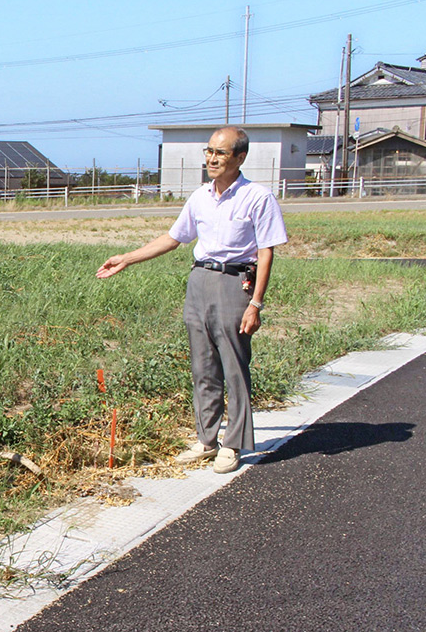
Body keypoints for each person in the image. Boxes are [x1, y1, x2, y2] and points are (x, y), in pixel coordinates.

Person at [96, 126, 287, 474]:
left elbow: (267, 250)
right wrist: (127, 258)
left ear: (239, 158)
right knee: (202, 366)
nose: (212, 159)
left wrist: (256, 304)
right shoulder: (200, 197)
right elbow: (173, 238)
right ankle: (206, 439)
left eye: (221, 153)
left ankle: (234, 444)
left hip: (234, 283)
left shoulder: (257, 197)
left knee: (234, 368)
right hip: (199, 280)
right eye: (209, 152)